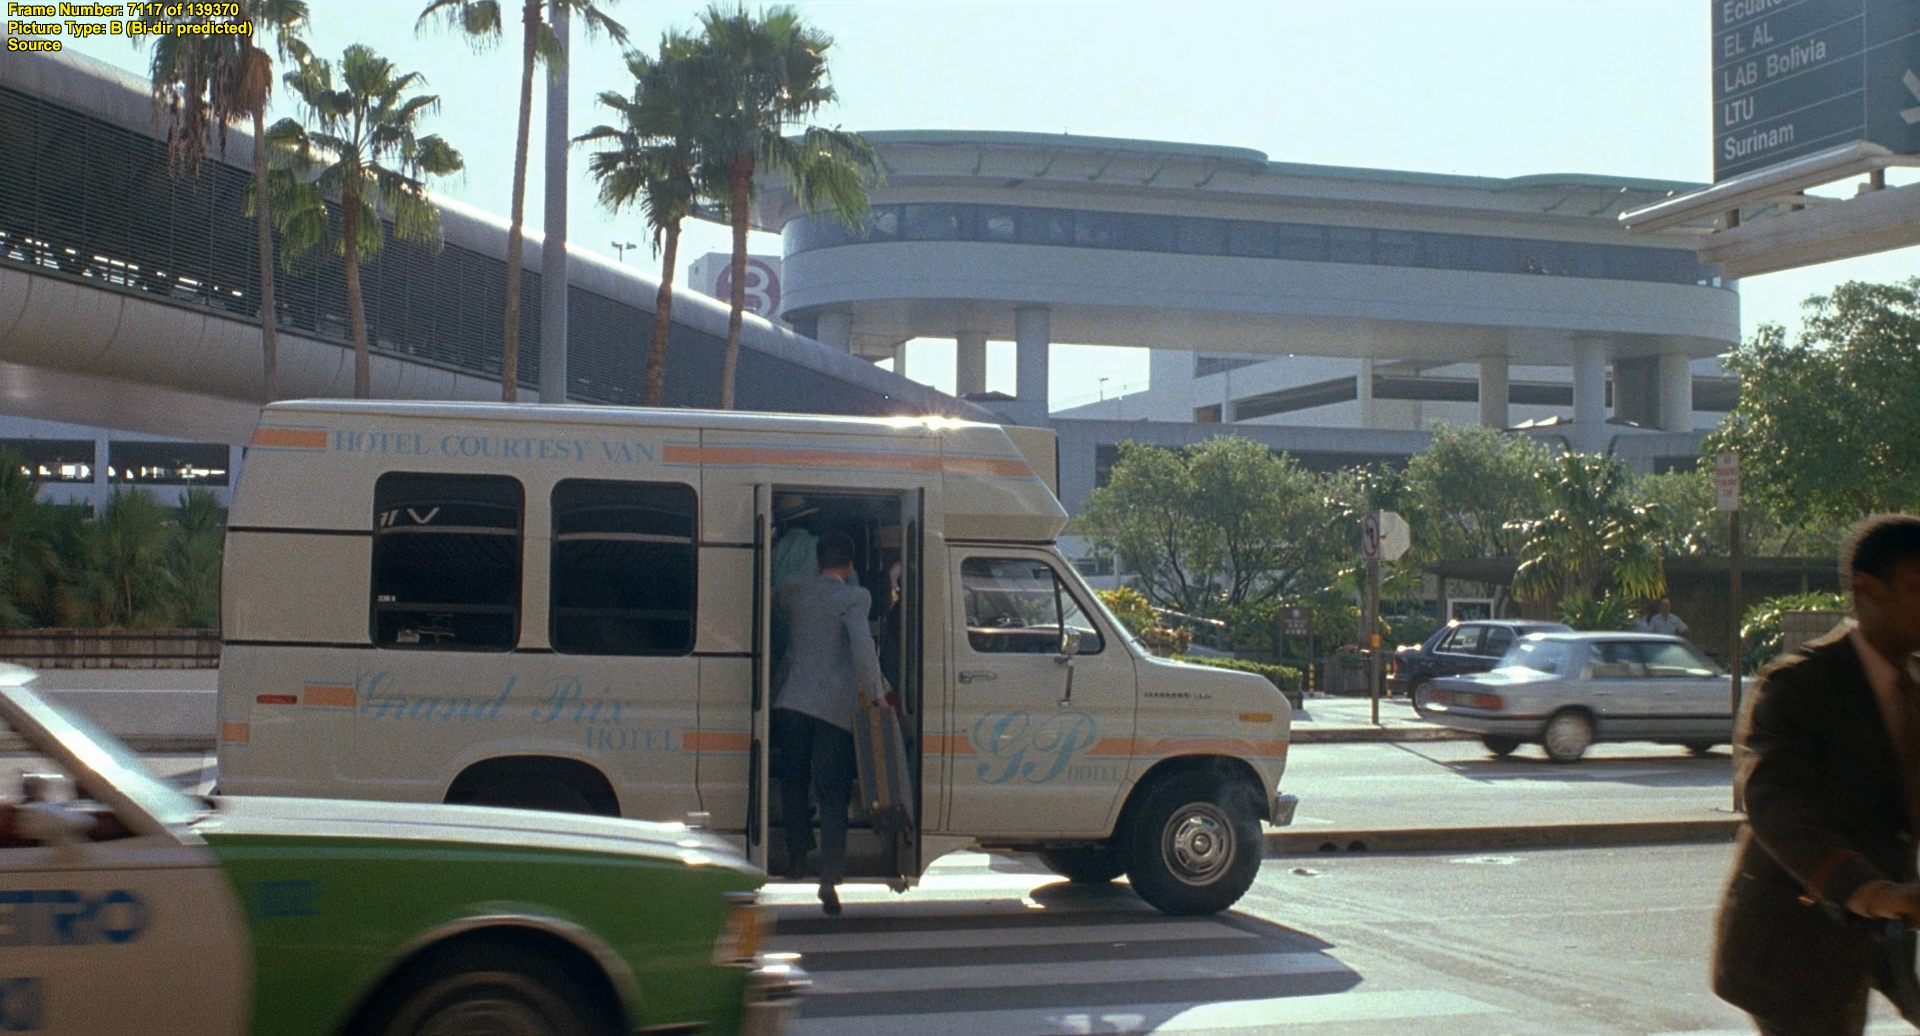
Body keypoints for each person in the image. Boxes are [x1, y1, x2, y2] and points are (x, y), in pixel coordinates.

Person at [1712, 514, 1920, 1035]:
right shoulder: (1798, 686)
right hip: (1792, 949)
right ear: (1867, 589)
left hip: (1880, 939)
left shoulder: (1912, 685)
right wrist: (1869, 891)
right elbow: (1775, 804)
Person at [772, 530, 886, 916]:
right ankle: (829, 877)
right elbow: (862, 646)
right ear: (849, 565)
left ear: (818, 561)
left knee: (793, 781)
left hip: (791, 703)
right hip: (833, 711)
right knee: (832, 794)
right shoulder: (854, 597)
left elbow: (777, 602)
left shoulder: (793, 591)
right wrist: (877, 694)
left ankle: (797, 857)